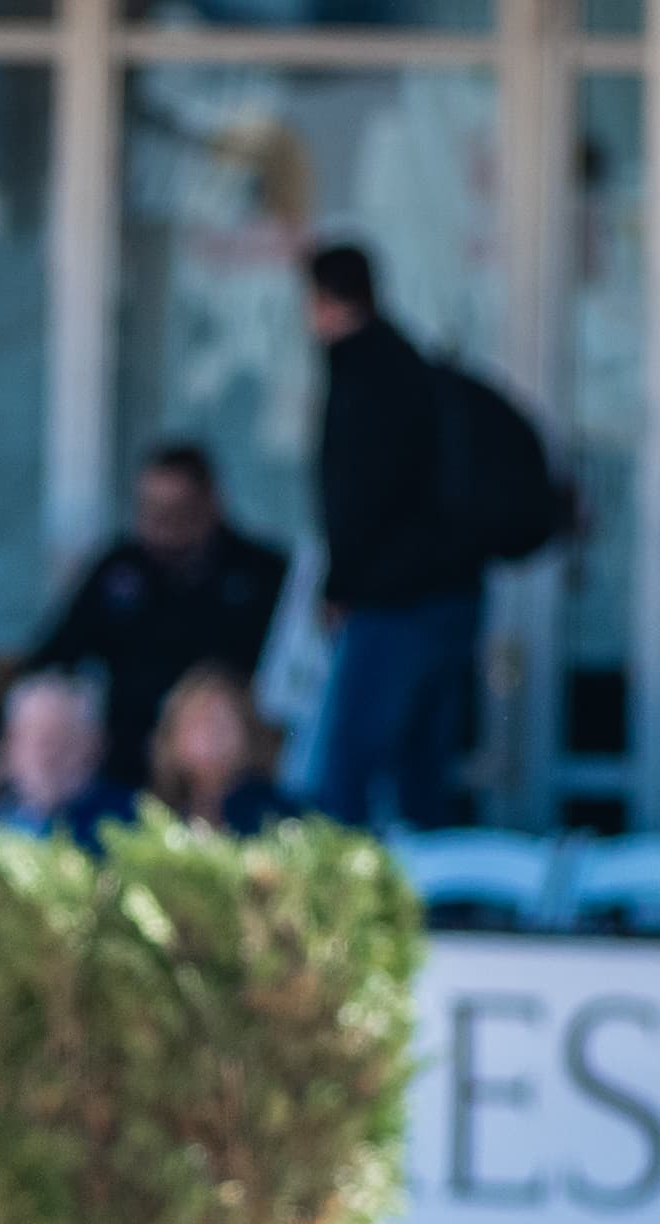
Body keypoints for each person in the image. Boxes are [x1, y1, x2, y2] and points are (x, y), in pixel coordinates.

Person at [304, 242, 487, 830]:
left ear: (323, 301)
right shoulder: (412, 365)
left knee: (349, 766)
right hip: (449, 588)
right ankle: (433, 900)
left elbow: (358, 491)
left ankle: (345, 905)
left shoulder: (364, 371)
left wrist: (341, 582)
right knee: (421, 769)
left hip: (394, 596)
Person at [21, 441, 288, 792]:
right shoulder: (120, 570)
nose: (161, 525)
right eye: (150, 509)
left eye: (177, 511)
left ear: (212, 504)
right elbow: (54, 655)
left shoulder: (260, 575)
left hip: (226, 771)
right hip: (127, 766)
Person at [0, 671, 138, 851]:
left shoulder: (126, 826)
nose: (45, 753)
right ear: (9, 745)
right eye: (31, 735)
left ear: (95, 746)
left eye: (61, 737)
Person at [142, 664, 293, 838]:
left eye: (221, 722)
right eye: (198, 722)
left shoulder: (278, 818)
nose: (211, 736)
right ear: (171, 738)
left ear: (249, 733)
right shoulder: (156, 818)